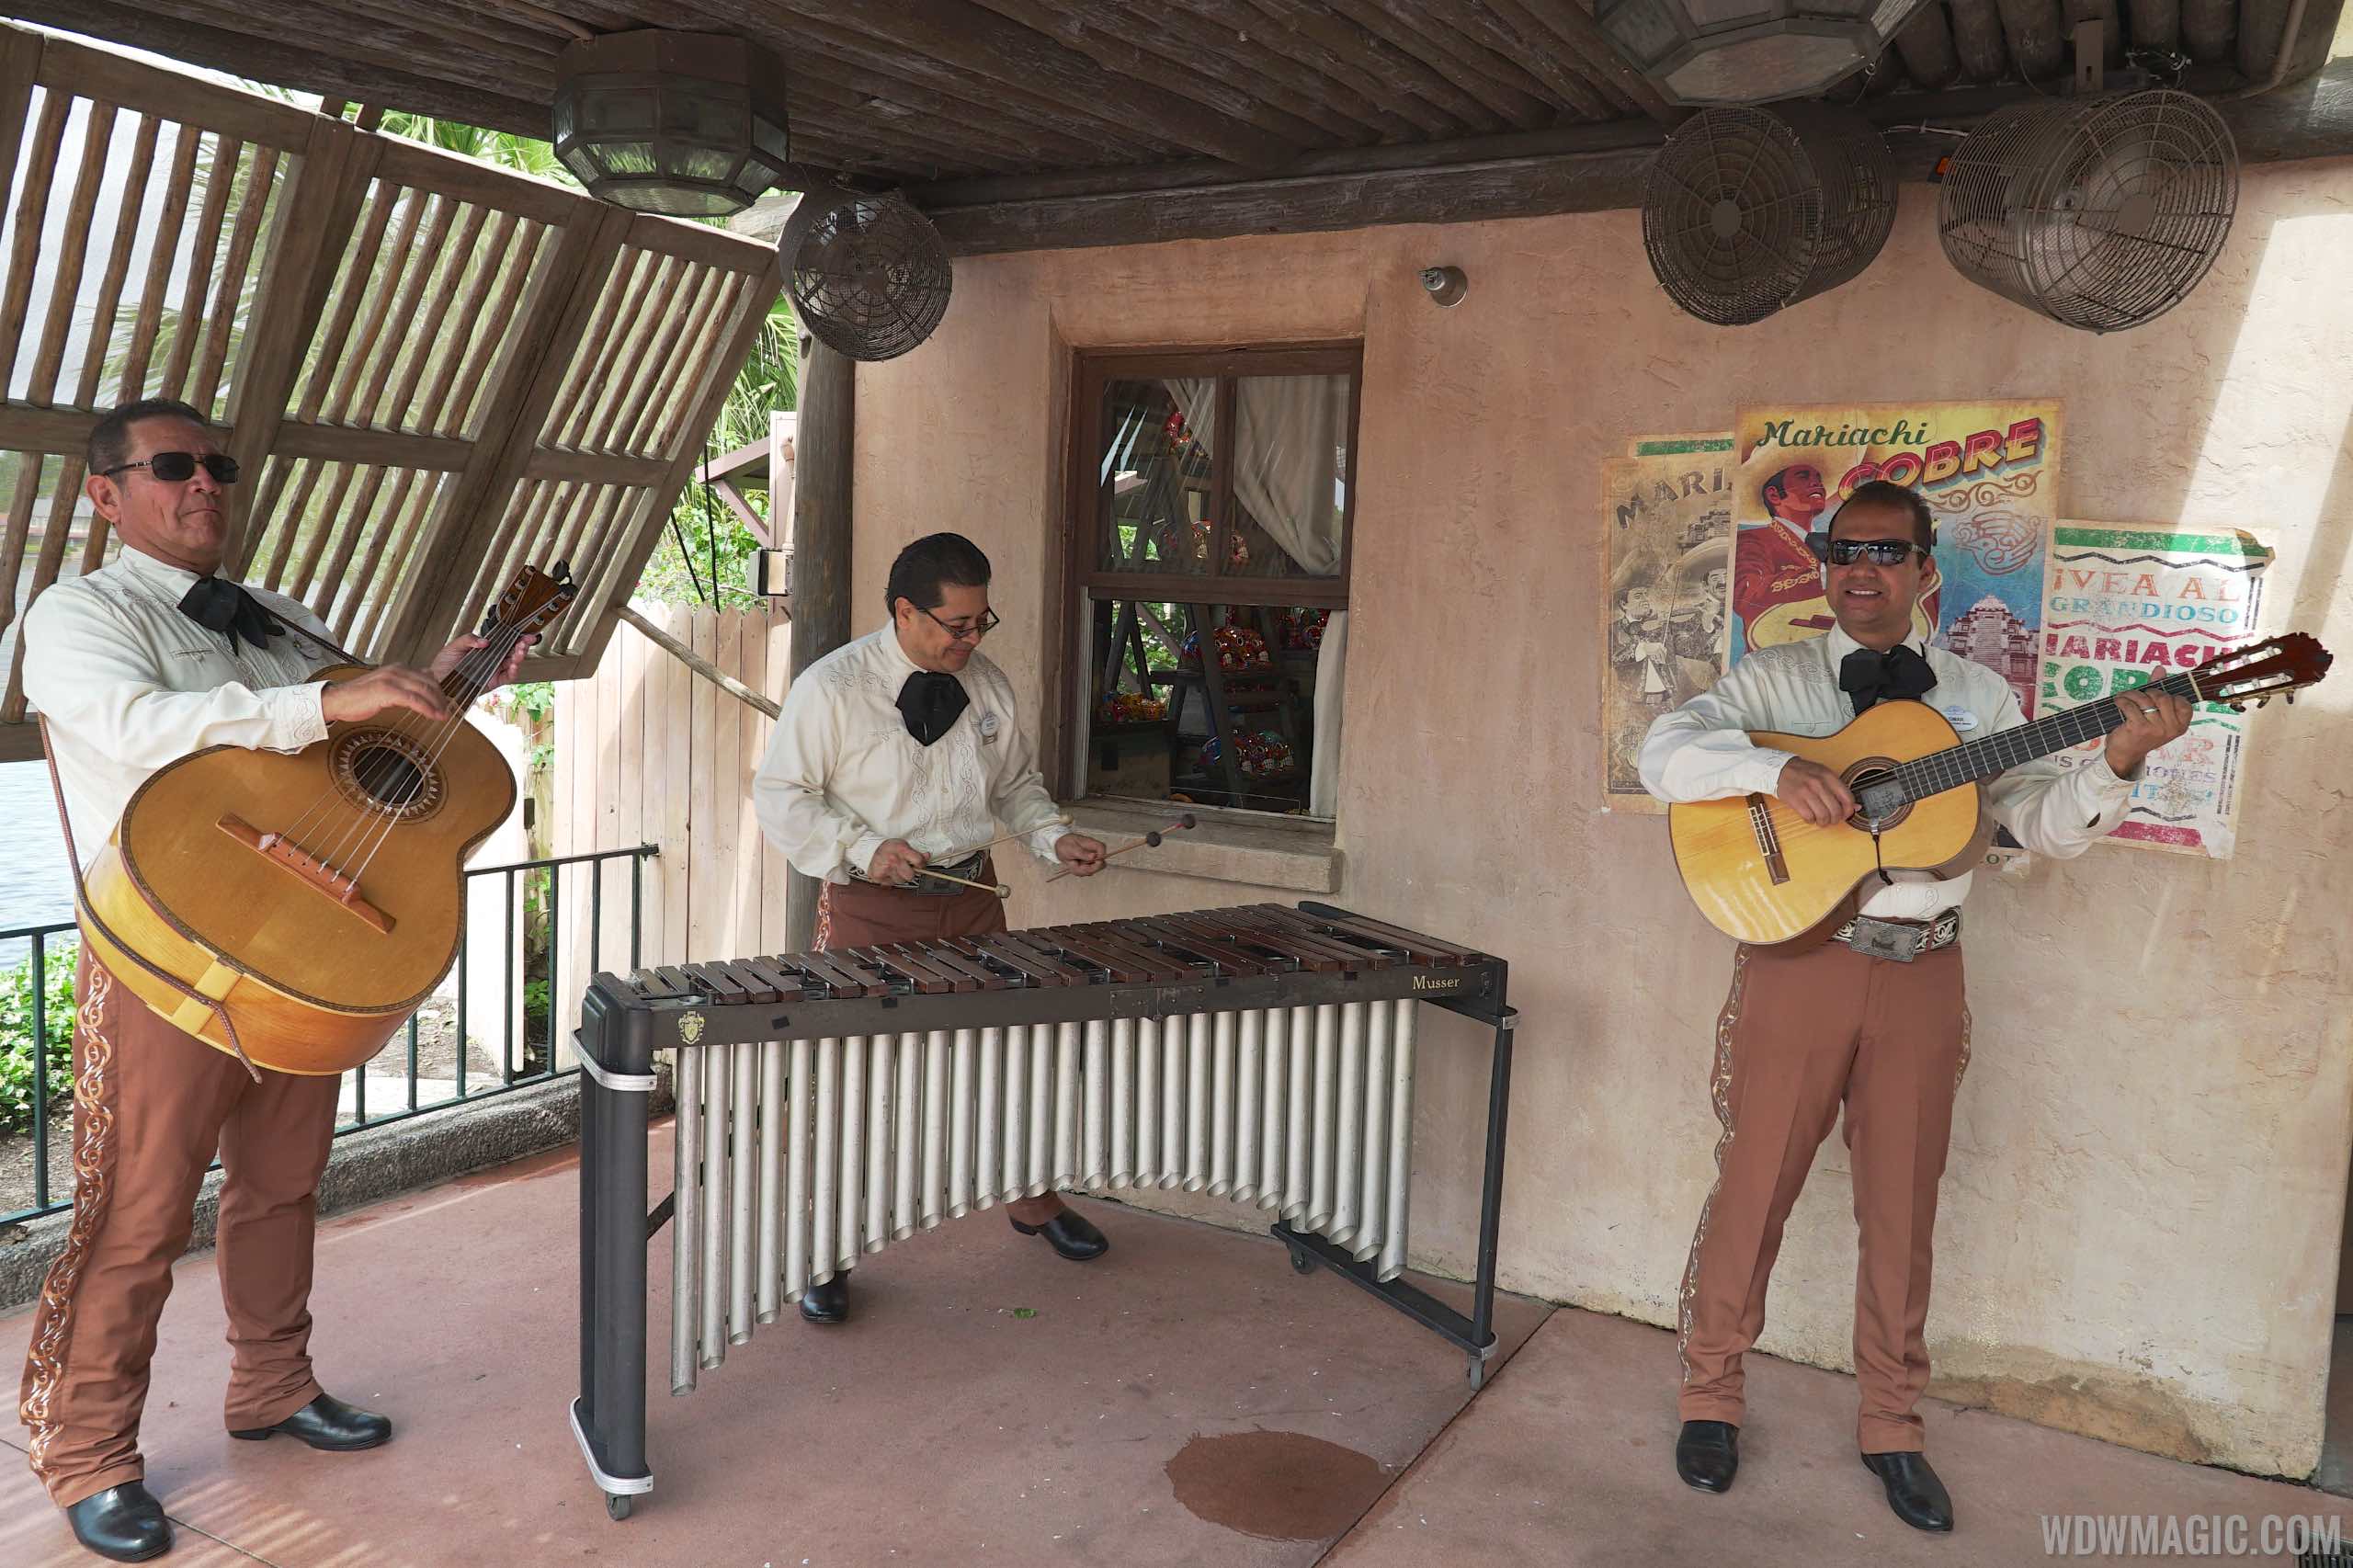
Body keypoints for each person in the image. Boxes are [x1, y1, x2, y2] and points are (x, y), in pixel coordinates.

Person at [18, 399, 533, 1563]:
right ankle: (89, 1452)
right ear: (107, 493)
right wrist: (321, 699)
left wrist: (440, 681)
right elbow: (139, 726)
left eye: (219, 465)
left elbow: (347, 750)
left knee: (283, 1184)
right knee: (135, 1213)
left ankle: (271, 1383)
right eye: (172, 466)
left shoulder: (284, 617)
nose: (204, 482)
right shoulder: (73, 614)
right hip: (171, 957)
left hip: (309, 957)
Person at [1639, 480, 2188, 1534]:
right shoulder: (1778, 676)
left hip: (1927, 970)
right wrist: (1776, 765)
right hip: (1800, 960)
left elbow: (2035, 825)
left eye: (1887, 552)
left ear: (1926, 569)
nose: (1862, 570)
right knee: (1754, 1184)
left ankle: (1892, 1422)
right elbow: (1662, 755)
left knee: (1902, 1204)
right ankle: (1710, 1395)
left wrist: (2116, 761)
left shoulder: (1981, 698)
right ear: (1823, 567)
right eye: (1844, 551)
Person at [752, 532, 1111, 1326]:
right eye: (957, 625)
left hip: (974, 899)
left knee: (1009, 1058)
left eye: (983, 622)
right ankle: (830, 1246)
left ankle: (1029, 1198)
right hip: (868, 909)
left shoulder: (987, 685)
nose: (972, 639)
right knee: (856, 1081)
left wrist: (1054, 836)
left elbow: (1015, 786)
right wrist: (860, 848)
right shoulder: (834, 688)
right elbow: (782, 794)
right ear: (905, 612)